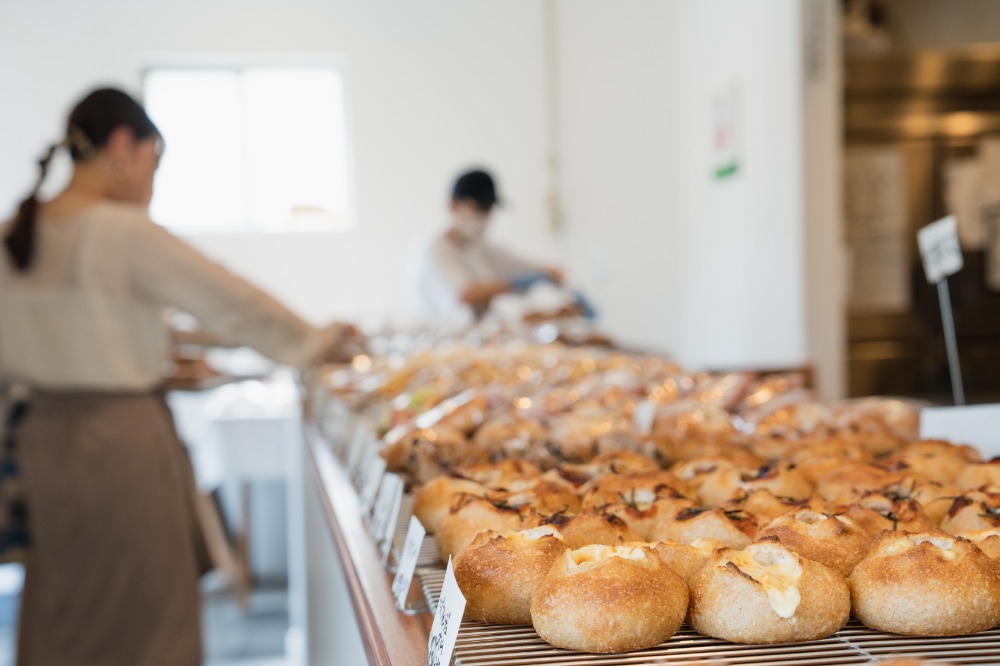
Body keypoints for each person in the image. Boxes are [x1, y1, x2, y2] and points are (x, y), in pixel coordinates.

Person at [0, 87, 362, 666]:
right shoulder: (116, 231)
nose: (152, 182)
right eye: (154, 162)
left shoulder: (14, 230)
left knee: (64, 607)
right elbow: (233, 303)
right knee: (144, 615)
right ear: (123, 146)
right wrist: (316, 342)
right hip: (119, 446)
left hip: (42, 444)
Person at [414, 168, 566, 321]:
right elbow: (466, 295)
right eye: (478, 208)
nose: (484, 216)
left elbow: (525, 265)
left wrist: (547, 272)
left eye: (488, 209)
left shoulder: (481, 248)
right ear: (453, 205)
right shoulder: (433, 250)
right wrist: (515, 284)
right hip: (440, 339)